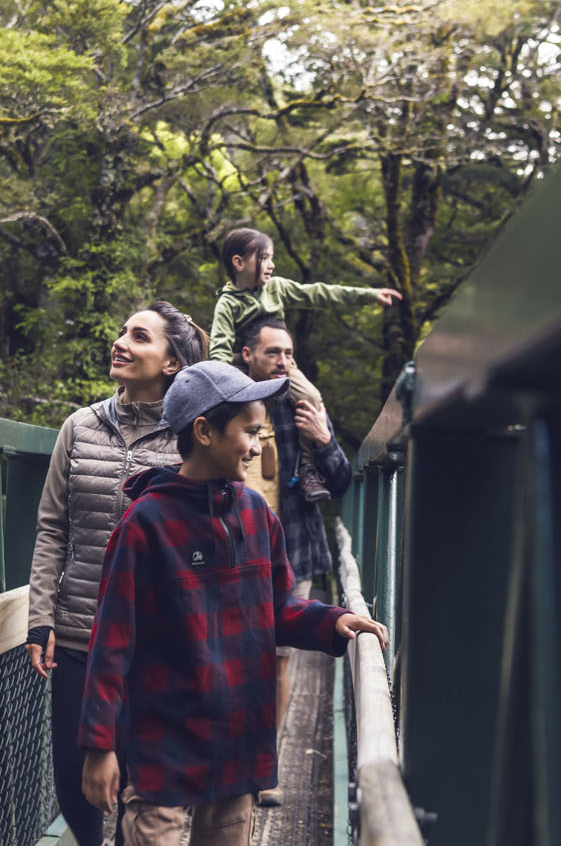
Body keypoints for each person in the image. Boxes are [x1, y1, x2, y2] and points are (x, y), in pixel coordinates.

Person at [77, 361, 388, 845]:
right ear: (204, 431)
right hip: (162, 740)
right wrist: (99, 747)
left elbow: (279, 608)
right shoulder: (144, 524)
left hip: (236, 737)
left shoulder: (257, 514)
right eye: (249, 432)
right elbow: (111, 642)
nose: (259, 445)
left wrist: (336, 620)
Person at [25, 302, 209, 846]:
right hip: (79, 634)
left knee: (140, 782)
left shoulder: (190, 439)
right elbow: (51, 528)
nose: (121, 342)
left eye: (139, 336)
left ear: (172, 362)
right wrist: (40, 619)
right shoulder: (79, 427)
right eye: (122, 331)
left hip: (156, 643)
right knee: (72, 779)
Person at [238, 315, 352, 807]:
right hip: (233, 551)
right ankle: (224, 754)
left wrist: (324, 440)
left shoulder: (303, 406)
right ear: (248, 355)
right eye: (272, 353)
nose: (282, 362)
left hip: (294, 551)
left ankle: (265, 766)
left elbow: (344, 480)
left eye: (288, 354)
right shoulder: (230, 403)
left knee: (280, 659)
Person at [208, 228, 400, 501]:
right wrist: (220, 386)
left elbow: (321, 294)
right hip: (244, 364)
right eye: (264, 258)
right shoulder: (227, 303)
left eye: (273, 258)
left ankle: (307, 468)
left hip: (282, 362)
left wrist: (368, 295)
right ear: (239, 263)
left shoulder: (277, 288)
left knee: (310, 396)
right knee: (237, 407)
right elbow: (220, 347)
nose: (272, 264)